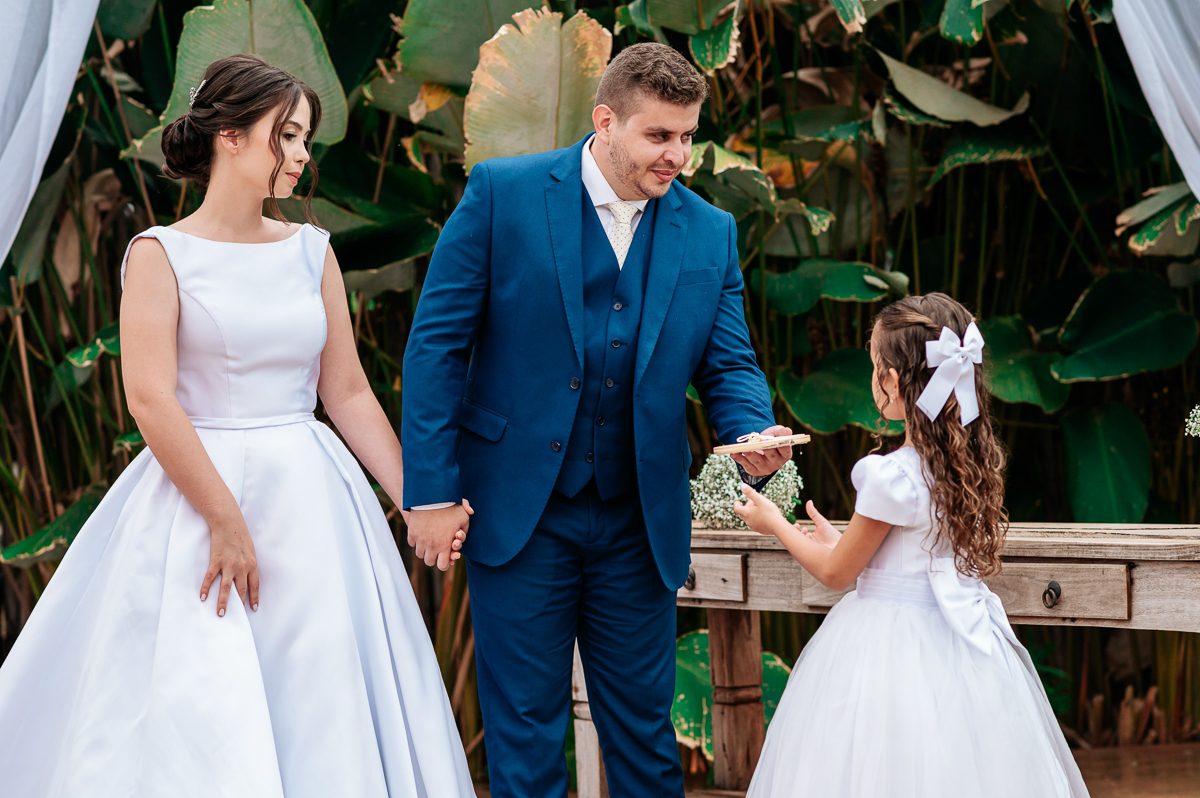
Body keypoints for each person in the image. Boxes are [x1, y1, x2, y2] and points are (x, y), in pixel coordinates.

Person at [0, 54, 474, 797]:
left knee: (317, 684)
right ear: (229, 135)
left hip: (312, 502)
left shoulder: (312, 251)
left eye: (305, 138)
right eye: (287, 135)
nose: (302, 154)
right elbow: (149, 398)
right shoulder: (159, 254)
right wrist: (223, 518)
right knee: (199, 691)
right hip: (194, 495)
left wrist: (418, 498)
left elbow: (348, 391)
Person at [402, 42, 791, 798]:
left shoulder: (710, 231)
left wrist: (751, 431)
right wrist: (432, 491)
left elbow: (729, 363)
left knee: (645, 738)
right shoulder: (502, 194)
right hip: (518, 509)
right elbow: (436, 348)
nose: (677, 155)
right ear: (606, 121)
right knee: (525, 737)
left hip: (638, 517)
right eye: (659, 135)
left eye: (687, 136)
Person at [734, 293, 1090, 798]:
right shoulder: (961, 467)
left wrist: (776, 524)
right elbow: (910, 556)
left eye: (874, 367)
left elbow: (836, 574)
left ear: (891, 381)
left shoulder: (890, 475)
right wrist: (839, 541)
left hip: (888, 649)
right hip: (958, 645)